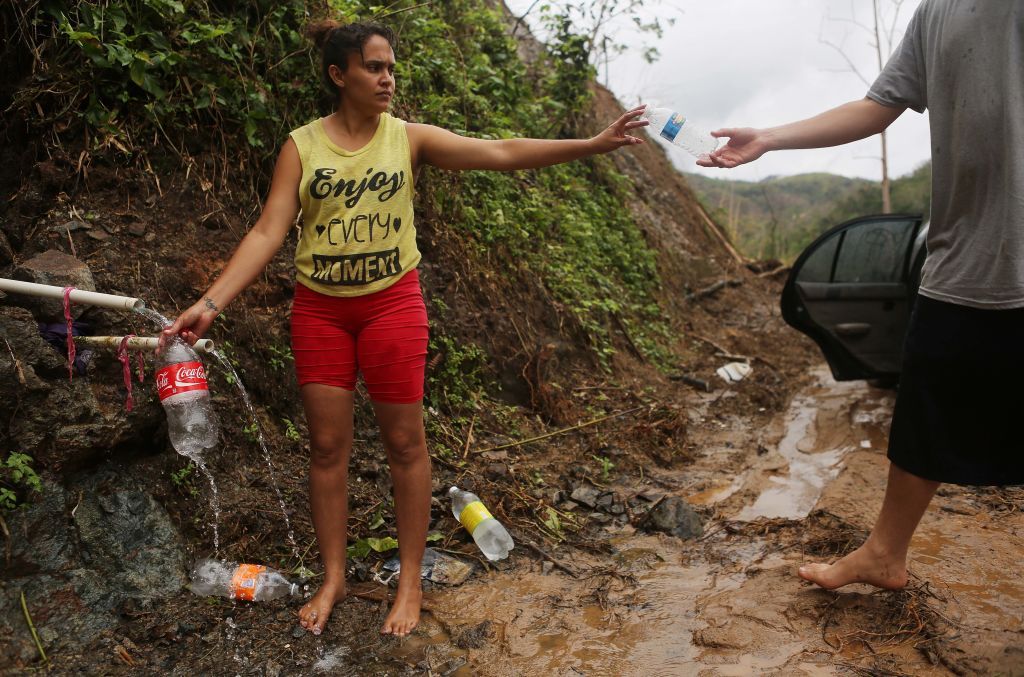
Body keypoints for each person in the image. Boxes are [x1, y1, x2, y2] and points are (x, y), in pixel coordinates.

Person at [161, 19, 648, 637]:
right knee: (328, 449)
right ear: (339, 75)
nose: (387, 78)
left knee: (405, 446)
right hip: (322, 313)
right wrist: (212, 301)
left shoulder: (408, 139)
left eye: (391, 67)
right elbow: (268, 230)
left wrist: (593, 143)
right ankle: (334, 577)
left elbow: (498, 152)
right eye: (374, 67)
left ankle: (410, 581)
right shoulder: (302, 147)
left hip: (393, 307)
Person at [700, 0, 1024, 591]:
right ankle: (883, 554)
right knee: (923, 410)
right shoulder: (937, 11)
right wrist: (770, 137)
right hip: (966, 259)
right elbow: (878, 106)